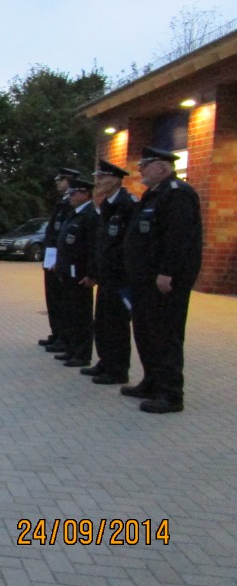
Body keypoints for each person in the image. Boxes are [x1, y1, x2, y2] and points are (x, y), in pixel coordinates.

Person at [121, 147, 202, 414]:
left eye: (145, 164)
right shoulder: (154, 194)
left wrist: (167, 271)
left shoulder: (177, 194)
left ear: (162, 166)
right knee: (145, 331)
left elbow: (178, 238)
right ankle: (152, 381)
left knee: (165, 334)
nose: (140, 169)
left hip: (164, 281)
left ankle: (170, 394)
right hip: (145, 281)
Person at [81, 160, 137, 384]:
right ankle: (105, 362)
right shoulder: (107, 205)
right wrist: (94, 272)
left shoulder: (127, 205)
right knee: (103, 322)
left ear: (115, 179)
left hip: (120, 277)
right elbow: (102, 245)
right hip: (106, 276)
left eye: (102, 178)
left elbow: (130, 245)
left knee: (117, 324)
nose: (98, 182)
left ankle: (118, 369)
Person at [52, 177, 98, 367]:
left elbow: (93, 247)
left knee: (81, 315)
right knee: (70, 312)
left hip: (80, 274)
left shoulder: (90, 215)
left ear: (86, 194)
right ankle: (72, 348)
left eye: (74, 192)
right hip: (67, 271)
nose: (70, 196)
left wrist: (92, 273)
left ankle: (82, 353)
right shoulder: (74, 213)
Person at [40, 168, 81, 351]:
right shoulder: (62, 202)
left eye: (61, 179)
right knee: (53, 299)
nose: (57, 183)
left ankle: (64, 337)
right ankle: (57, 333)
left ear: (70, 180)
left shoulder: (72, 205)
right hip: (52, 256)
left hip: (61, 259)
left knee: (63, 301)